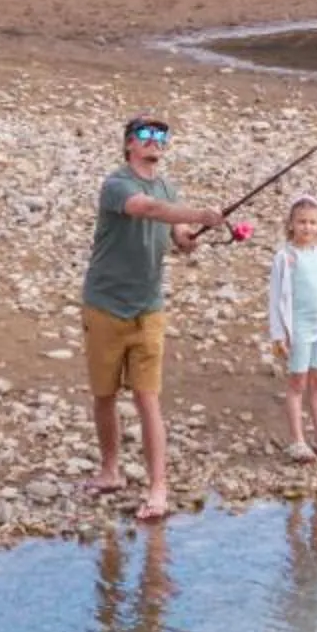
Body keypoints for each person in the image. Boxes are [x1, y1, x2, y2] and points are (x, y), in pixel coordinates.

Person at [82, 115, 223, 524]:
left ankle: (157, 487)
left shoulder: (168, 188)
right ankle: (110, 471)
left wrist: (190, 238)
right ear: (129, 144)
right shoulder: (116, 185)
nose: (155, 142)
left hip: (148, 308)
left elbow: (178, 237)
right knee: (104, 395)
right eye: (146, 136)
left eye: (161, 137)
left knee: (147, 398)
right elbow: (146, 209)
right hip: (105, 304)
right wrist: (198, 212)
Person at [265, 193, 317, 463]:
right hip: (297, 328)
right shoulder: (285, 257)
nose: (307, 227)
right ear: (291, 225)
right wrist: (278, 334)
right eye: (301, 222)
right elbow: (276, 298)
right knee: (297, 382)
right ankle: (297, 440)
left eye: (312, 222)